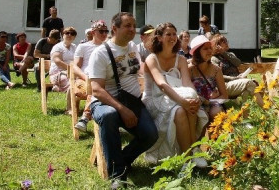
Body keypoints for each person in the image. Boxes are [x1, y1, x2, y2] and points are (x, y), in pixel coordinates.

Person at [87, 12, 158, 183]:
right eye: (127, 26)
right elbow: (96, 90)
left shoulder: (133, 47)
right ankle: (117, 175)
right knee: (109, 115)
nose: (132, 29)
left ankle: (121, 159)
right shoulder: (101, 53)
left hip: (132, 101)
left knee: (150, 135)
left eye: (134, 25)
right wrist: (122, 109)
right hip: (105, 103)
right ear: (114, 28)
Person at [142, 23, 208, 167]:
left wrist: (195, 98)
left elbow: (187, 83)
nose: (172, 37)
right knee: (182, 108)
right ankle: (189, 156)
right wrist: (183, 102)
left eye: (174, 34)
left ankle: (192, 151)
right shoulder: (152, 59)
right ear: (159, 38)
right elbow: (161, 84)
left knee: (186, 105)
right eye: (168, 34)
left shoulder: (181, 59)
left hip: (176, 94)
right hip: (155, 99)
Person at [74, 20, 109, 132]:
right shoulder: (83, 47)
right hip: (84, 79)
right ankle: (86, 117)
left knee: (99, 89)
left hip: (102, 81)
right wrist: (85, 77)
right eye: (101, 31)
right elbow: (75, 67)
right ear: (93, 32)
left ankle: (85, 118)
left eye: (106, 31)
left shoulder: (108, 48)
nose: (104, 34)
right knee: (95, 89)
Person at [210, 34, 263, 106]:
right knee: (249, 83)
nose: (226, 43)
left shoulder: (230, 54)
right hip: (225, 85)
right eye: (224, 42)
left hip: (236, 81)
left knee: (251, 85)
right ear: (217, 45)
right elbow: (217, 76)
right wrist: (234, 78)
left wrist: (224, 53)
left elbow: (237, 63)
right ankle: (264, 107)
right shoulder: (214, 59)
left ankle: (244, 110)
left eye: (226, 41)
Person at [189, 35, 228, 125]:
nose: (210, 51)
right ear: (197, 52)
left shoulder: (216, 70)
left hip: (213, 102)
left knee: (216, 112)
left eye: (210, 48)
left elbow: (224, 95)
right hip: (196, 103)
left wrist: (211, 100)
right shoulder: (189, 69)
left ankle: (218, 133)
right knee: (201, 115)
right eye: (205, 49)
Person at [49, 27, 77, 114]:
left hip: (72, 72)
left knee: (82, 82)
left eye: (72, 34)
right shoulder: (57, 47)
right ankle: (69, 109)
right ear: (63, 35)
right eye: (67, 33)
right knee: (72, 83)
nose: (69, 35)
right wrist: (71, 69)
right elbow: (58, 61)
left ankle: (81, 108)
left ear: (74, 37)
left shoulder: (74, 47)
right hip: (58, 73)